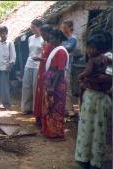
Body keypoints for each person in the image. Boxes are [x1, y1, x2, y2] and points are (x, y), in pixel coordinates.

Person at [75, 33, 112, 169]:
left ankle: (94, 161)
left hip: (100, 99)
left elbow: (108, 78)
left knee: (97, 131)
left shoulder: (107, 59)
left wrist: (88, 79)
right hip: (90, 97)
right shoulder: (100, 59)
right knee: (86, 129)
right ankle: (84, 158)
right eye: (88, 47)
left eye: (92, 47)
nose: (89, 50)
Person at [41, 29, 69, 140]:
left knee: (56, 108)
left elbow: (60, 70)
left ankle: (57, 133)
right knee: (50, 107)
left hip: (57, 84)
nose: (50, 40)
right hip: (52, 81)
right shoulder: (56, 50)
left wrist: (52, 86)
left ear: (58, 39)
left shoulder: (61, 52)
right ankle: (50, 131)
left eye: (52, 38)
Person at [33, 24, 55, 126]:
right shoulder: (46, 44)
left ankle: (43, 119)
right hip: (42, 71)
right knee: (39, 93)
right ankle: (38, 117)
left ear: (49, 33)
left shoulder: (53, 46)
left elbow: (52, 61)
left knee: (44, 95)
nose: (42, 35)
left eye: (43, 33)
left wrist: (40, 59)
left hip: (47, 73)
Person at [21, 19, 44, 114]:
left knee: (35, 87)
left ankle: (35, 109)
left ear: (39, 27)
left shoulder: (43, 39)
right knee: (26, 86)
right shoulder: (30, 38)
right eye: (31, 27)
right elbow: (29, 51)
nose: (32, 29)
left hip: (38, 65)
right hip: (29, 63)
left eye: (34, 27)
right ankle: (26, 108)